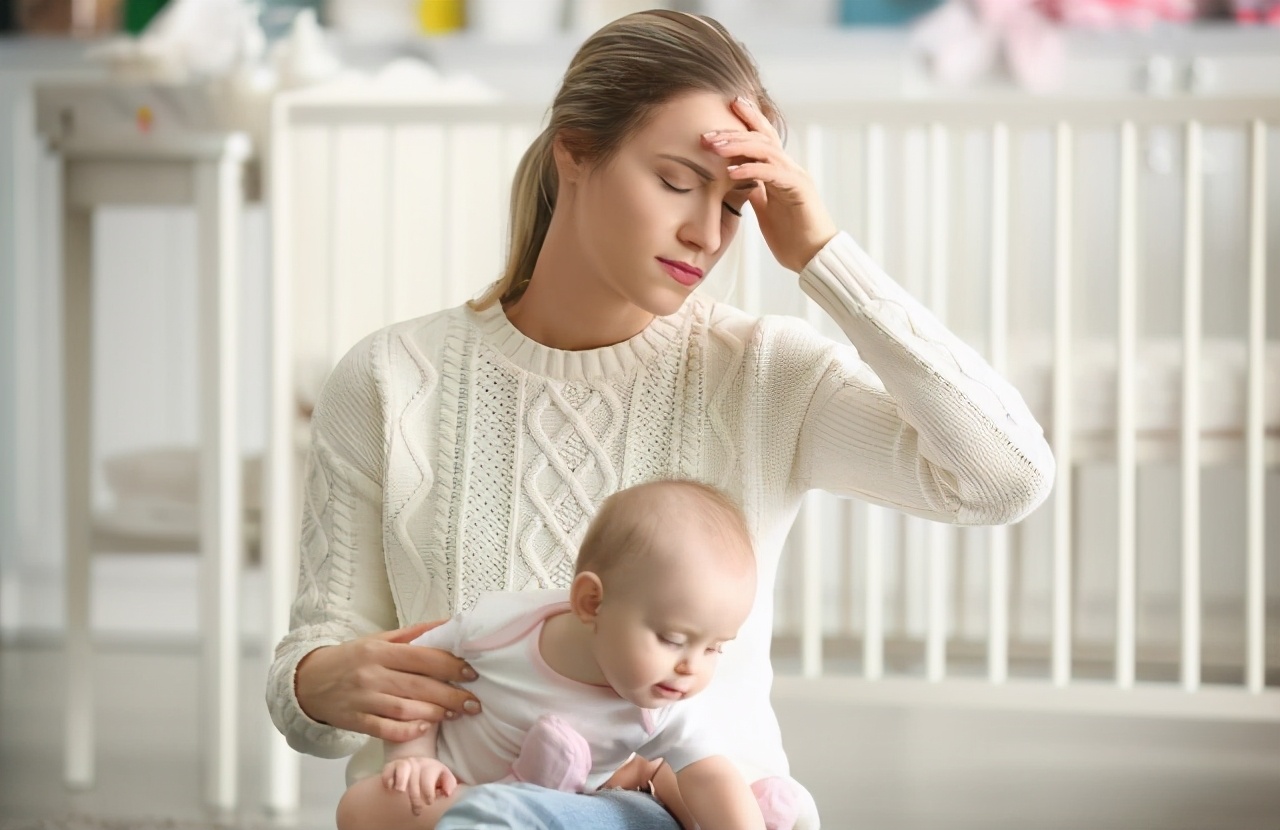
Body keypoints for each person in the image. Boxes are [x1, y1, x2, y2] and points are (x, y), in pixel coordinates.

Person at [266, 9, 1056, 829]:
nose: (705, 234)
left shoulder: (764, 372)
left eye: (735, 205)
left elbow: (1006, 478)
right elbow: (316, 682)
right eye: (677, 182)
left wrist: (824, 255)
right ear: (575, 150)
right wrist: (317, 685)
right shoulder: (390, 378)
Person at [335, 479, 784, 830]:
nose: (691, 668)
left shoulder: (665, 703)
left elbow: (708, 773)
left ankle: (749, 812)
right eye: (672, 638)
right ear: (592, 602)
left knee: (680, 783)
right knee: (360, 808)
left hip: (578, 801)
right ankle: (505, 811)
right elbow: (409, 670)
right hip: (458, 787)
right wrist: (414, 757)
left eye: (715, 647)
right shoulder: (499, 628)